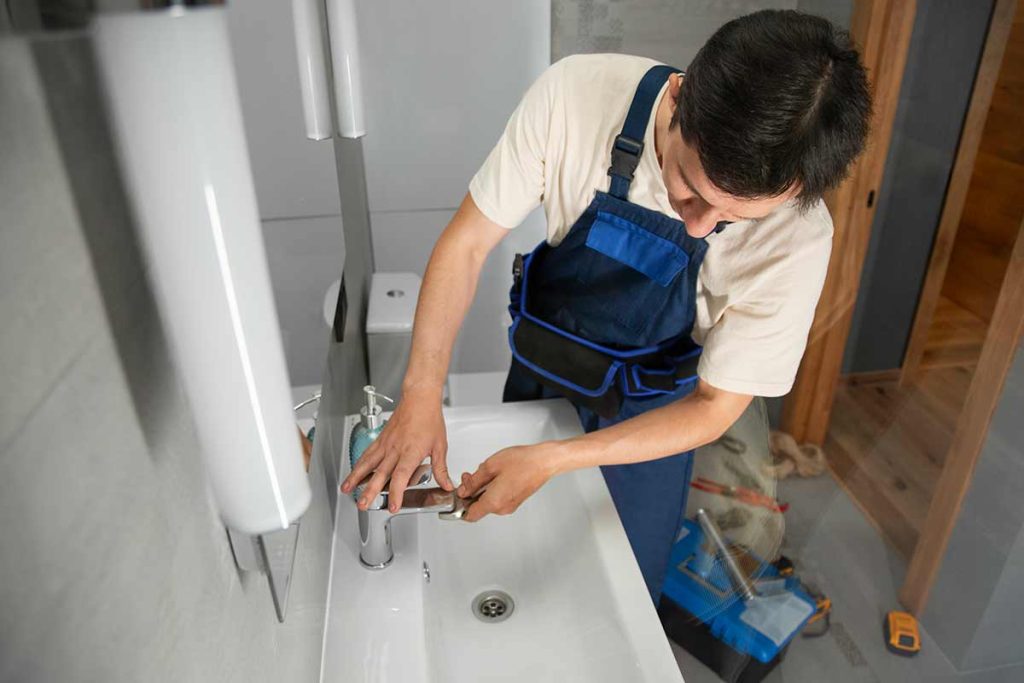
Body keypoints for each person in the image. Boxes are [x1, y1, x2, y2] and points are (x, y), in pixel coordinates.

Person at [342, 9, 871, 602]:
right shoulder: (577, 97)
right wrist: (419, 395)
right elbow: (466, 244)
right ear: (678, 96)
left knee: (622, 591)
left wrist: (556, 458)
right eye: (689, 189)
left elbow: (716, 405)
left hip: (654, 422)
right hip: (542, 377)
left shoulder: (798, 237)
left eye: (734, 218)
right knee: (508, 559)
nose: (698, 227)